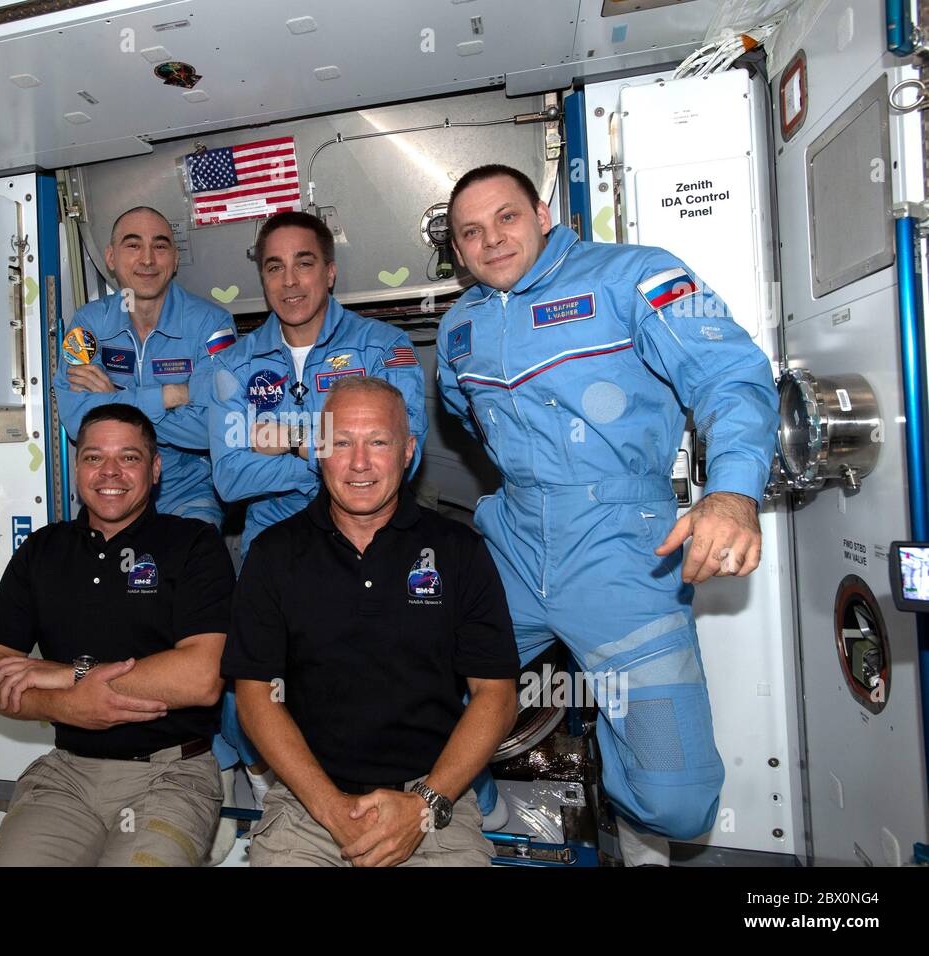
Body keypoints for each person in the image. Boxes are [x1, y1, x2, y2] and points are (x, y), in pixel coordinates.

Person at [435, 163, 778, 865]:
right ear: (458, 250)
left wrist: (733, 490)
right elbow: (464, 417)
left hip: (622, 551)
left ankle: (601, 771)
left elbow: (732, 376)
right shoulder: (458, 327)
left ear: (541, 212)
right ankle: (471, 794)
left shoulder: (636, 277)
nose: (491, 240)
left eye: (505, 217)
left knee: (679, 805)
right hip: (514, 547)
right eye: (470, 232)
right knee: (401, 679)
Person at [222, 376, 519, 866]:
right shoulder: (274, 554)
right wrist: (331, 809)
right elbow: (254, 698)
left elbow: (496, 695)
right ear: (319, 451)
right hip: (308, 804)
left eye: (377, 442)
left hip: (433, 802)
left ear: (408, 452)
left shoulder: (459, 551)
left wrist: (424, 803)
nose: (359, 463)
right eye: (342, 442)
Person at [205, 209, 430, 807]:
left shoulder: (385, 348)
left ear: (329, 271)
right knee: (249, 696)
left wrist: (287, 436)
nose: (290, 280)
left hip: (365, 545)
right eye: (274, 266)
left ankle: (407, 804)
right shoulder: (232, 365)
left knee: (372, 684)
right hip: (271, 550)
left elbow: (400, 454)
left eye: (305, 262)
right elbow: (229, 476)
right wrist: (326, 446)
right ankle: (267, 794)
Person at [0, 404, 234, 866]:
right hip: (67, 774)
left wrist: (69, 674)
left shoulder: (195, 545)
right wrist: (66, 704)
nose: (109, 472)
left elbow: (201, 677)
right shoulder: (42, 550)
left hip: (171, 773)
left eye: (129, 458)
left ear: (154, 470)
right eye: (94, 457)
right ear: (77, 468)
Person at [54, 206, 238, 526]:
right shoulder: (89, 323)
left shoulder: (212, 323)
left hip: (188, 494)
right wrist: (170, 395)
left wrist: (115, 399)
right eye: (133, 245)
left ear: (175, 259)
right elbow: (77, 420)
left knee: (195, 565)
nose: (148, 259)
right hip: (112, 491)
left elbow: (215, 427)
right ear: (111, 258)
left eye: (160, 245)